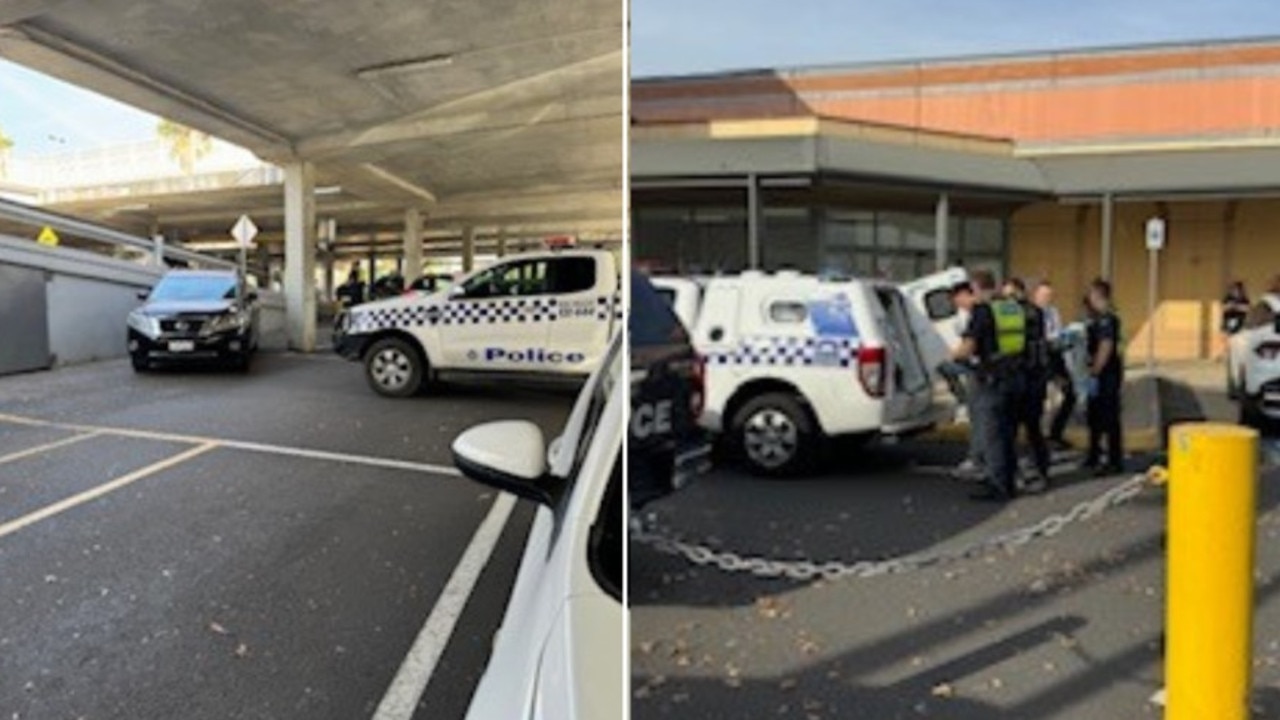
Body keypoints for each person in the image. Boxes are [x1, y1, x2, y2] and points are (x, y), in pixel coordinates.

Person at [952, 270, 1025, 502]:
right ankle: (1009, 479)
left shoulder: (983, 311)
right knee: (1008, 434)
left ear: (976, 288)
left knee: (993, 435)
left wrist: (953, 355)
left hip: (992, 379)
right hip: (1015, 375)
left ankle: (997, 484)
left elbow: (968, 347)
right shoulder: (1011, 307)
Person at [1004, 277, 1050, 494]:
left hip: (1027, 380)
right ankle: (1037, 470)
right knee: (1029, 429)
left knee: (1024, 429)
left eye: (1011, 295)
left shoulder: (1023, 314)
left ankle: (1032, 472)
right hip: (1033, 379)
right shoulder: (1034, 312)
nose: (1008, 300)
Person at [941, 281, 984, 481]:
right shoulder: (973, 313)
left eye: (958, 298)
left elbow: (969, 346)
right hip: (983, 369)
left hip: (978, 369)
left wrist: (955, 355)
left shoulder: (978, 313)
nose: (957, 303)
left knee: (979, 418)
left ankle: (976, 459)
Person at [1084, 278, 1124, 475]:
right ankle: (1093, 455)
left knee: (1109, 417)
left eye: (1091, 294)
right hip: (1100, 373)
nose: (1089, 298)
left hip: (1107, 374)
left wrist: (1095, 371)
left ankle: (1114, 460)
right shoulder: (1096, 318)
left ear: (1099, 295)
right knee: (1094, 416)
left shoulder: (1107, 319)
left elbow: (1105, 347)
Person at [1034, 281, 1077, 449]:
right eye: (1044, 295)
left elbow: (1057, 334)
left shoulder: (1053, 312)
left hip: (1055, 356)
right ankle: (1040, 437)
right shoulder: (1032, 313)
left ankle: (1055, 433)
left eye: (1050, 296)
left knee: (1069, 395)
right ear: (1036, 296)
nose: (1047, 299)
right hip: (1040, 359)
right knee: (1042, 400)